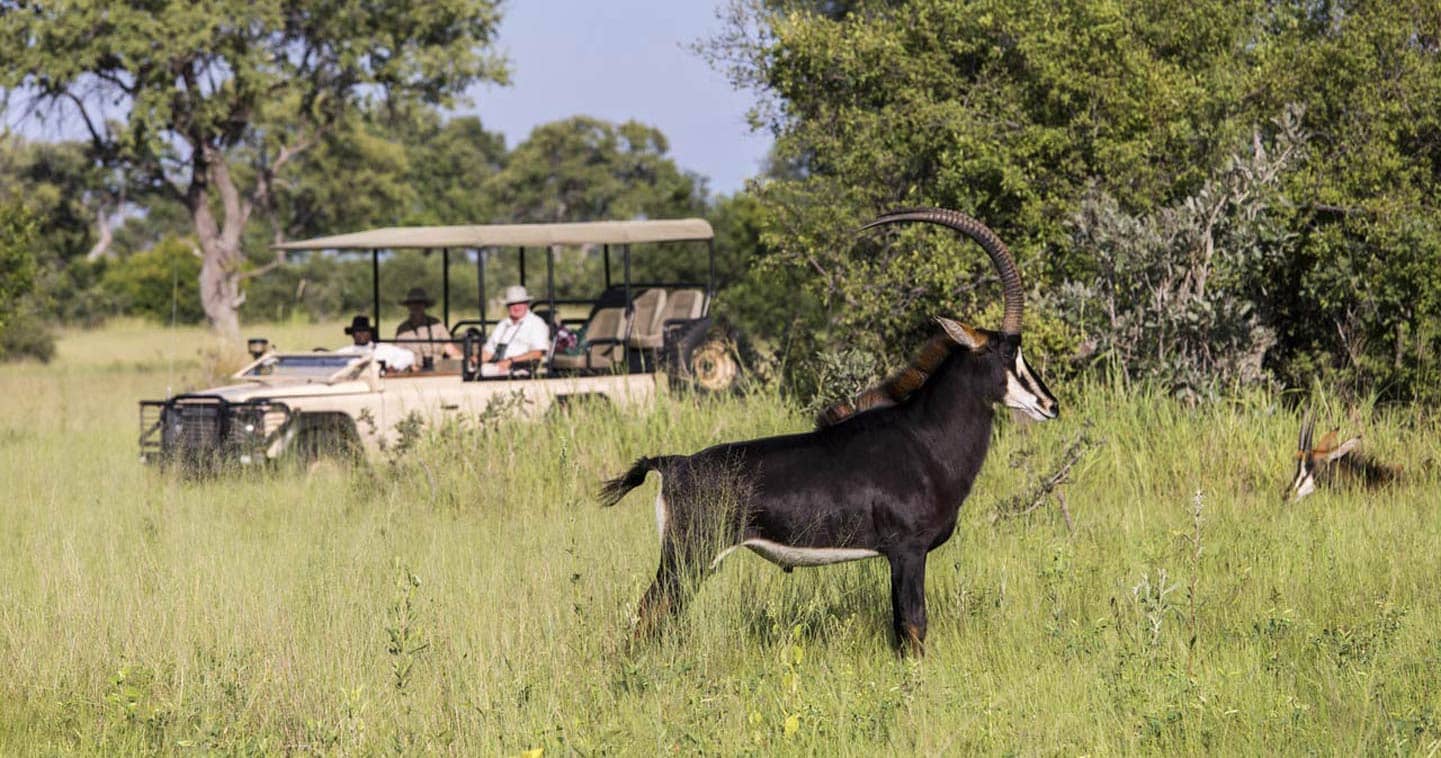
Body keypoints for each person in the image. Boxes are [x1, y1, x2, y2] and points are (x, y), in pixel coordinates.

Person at [476, 285, 551, 377]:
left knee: (483, 371)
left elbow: (537, 353)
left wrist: (511, 361)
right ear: (507, 306)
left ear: (527, 304)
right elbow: (489, 352)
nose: (516, 307)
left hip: (522, 368)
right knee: (471, 370)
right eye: (513, 304)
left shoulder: (536, 323)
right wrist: (474, 360)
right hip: (499, 367)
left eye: (520, 303)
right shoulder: (503, 325)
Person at [394, 287, 461, 368]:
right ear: (408, 306)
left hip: (439, 369)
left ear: (425, 305)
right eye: (413, 303)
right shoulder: (402, 330)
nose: (416, 306)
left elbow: (450, 349)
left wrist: (465, 359)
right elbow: (399, 356)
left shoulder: (436, 324)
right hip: (413, 372)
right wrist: (412, 367)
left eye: (420, 303)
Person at [336, 315, 416, 373]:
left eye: (365, 331)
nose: (362, 334)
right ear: (353, 334)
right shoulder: (345, 352)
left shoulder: (383, 349)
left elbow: (409, 356)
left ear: (370, 333)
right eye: (358, 331)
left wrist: (394, 367)